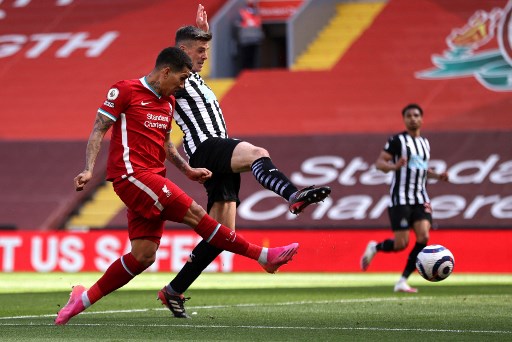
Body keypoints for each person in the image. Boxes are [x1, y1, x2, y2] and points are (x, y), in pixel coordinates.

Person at [54, 46, 299, 325]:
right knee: (196, 213)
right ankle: (263, 255)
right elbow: (99, 127)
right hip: (132, 175)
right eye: (182, 79)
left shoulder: (167, 102)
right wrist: (88, 168)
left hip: (153, 178)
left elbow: (167, 144)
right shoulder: (125, 90)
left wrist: (188, 170)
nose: (183, 86)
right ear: (166, 71)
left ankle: (81, 300)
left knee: (143, 256)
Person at [156, 5, 331, 318]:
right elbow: (153, 90)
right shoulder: (173, 80)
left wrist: (204, 31)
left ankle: (173, 290)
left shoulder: (194, 79)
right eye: (200, 50)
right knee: (257, 154)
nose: (205, 55)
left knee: (222, 235)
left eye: (206, 49)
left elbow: (193, 57)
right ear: (181, 51)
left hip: (215, 155)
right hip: (207, 149)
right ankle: (293, 196)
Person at [360, 103, 449, 293]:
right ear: (404, 119)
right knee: (401, 244)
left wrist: (437, 176)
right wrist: (395, 166)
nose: (413, 118)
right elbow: (379, 164)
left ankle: (402, 280)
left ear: (422, 119)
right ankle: (375, 247)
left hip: (420, 196)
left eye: (416, 115)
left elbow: (422, 169)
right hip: (400, 198)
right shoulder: (397, 141)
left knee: (424, 236)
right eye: (409, 116)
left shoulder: (425, 143)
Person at [234, 0, 264, 71]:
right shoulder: (243, 13)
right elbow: (237, 25)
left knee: (253, 58)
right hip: (246, 40)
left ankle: (252, 72)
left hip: (255, 40)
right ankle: (245, 72)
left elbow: (259, 26)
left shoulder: (257, 14)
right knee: (245, 58)